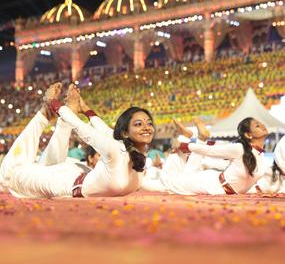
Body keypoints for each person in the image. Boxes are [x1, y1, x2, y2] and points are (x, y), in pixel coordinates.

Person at [0, 82, 155, 198]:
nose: (146, 127)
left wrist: (60, 104)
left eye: (149, 123)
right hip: (72, 178)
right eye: (138, 124)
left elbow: (92, 128)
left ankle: (44, 114)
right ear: (126, 133)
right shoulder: (118, 149)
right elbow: (90, 129)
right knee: (18, 174)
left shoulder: (134, 154)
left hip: (69, 180)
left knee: (11, 175)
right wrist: (63, 105)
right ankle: (45, 114)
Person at [142, 117, 268, 195]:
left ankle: (192, 136)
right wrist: (183, 145)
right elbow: (210, 151)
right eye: (257, 125)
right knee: (167, 181)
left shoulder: (258, 155)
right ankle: (193, 137)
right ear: (248, 135)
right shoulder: (239, 148)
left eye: (261, 123)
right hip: (210, 184)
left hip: (215, 185)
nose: (263, 125)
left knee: (176, 181)